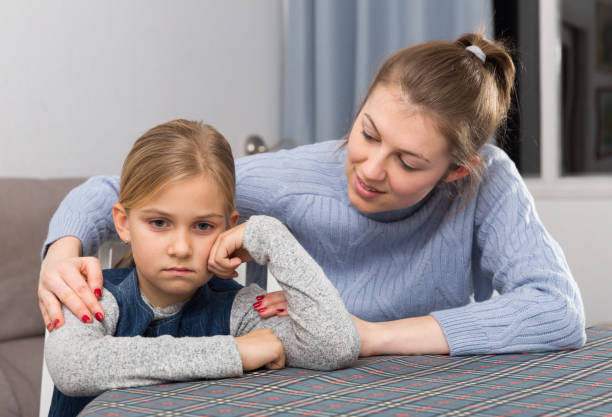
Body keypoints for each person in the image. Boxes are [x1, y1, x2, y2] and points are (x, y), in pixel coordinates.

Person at [39, 32, 586, 358]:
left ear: (455, 171)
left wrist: (371, 336)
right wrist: (60, 253)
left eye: (408, 161)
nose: (370, 169)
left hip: (437, 387)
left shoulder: (487, 181)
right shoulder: (296, 178)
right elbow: (110, 192)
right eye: (368, 132)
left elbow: (557, 310)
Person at [44, 120, 360, 417]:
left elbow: (335, 347)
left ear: (229, 228)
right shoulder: (90, 295)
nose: (181, 248)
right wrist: (234, 353)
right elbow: (73, 367)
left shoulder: (238, 309)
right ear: (124, 224)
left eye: (203, 226)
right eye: (159, 223)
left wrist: (269, 235)